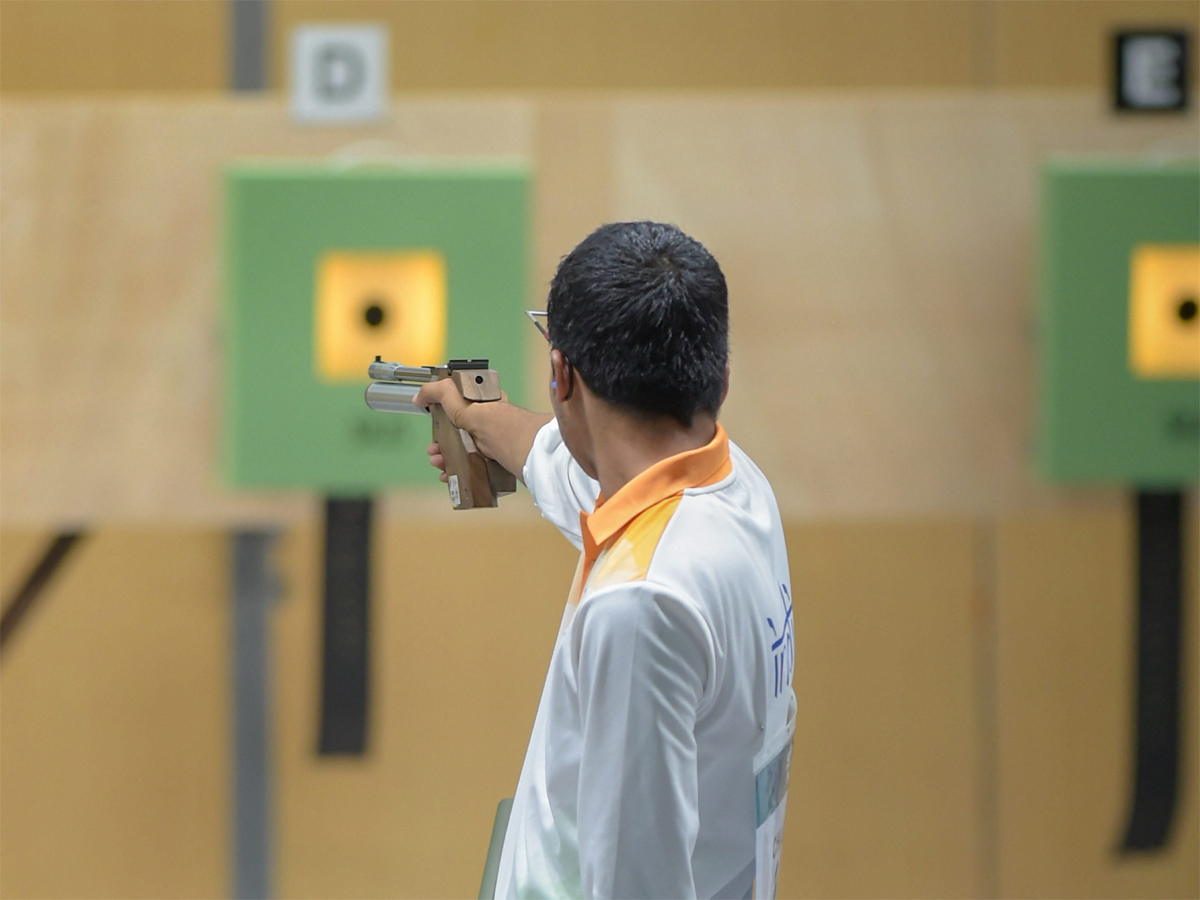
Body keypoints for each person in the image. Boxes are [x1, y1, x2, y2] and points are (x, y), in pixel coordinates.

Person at [413, 222, 795, 899]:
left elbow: (634, 885)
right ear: (720, 378)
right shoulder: (731, 487)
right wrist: (480, 419)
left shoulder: (640, 604)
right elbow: (570, 464)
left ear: (561, 374)